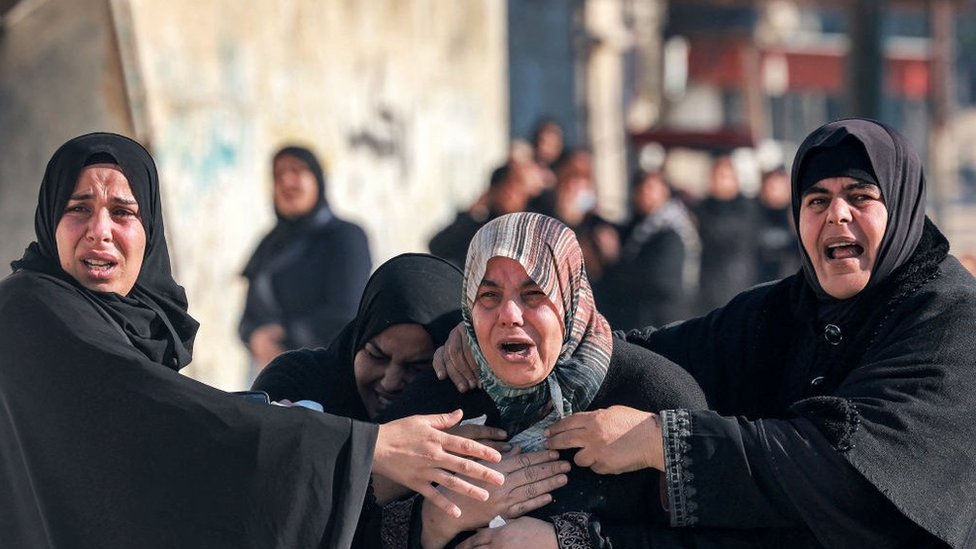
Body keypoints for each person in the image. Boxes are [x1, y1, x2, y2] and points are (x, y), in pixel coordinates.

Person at [436, 118, 976, 547]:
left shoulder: (947, 320)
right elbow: (653, 350)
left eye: (860, 196)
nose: (836, 215)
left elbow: (845, 473)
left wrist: (661, 442)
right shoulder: (786, 310)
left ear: (902, 207)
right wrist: (503, 332)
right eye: (816, 200)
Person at [0, 132, 506, 549]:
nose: (100, 230)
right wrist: (367, 450)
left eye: (123, 212)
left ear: (150, 227)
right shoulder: (29, 309)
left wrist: (474, 338)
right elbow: (169, 420)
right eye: (79, 207)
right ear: (49, 218)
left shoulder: (132, 322)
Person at [382, 212, 708, 548]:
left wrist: (568, 541)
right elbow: (350, 520)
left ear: (571, 298)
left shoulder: (653, 398)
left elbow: (721, 538)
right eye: (489, 296)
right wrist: (434, 521)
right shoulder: (444, 394)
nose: (509, 315)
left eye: (534, 294)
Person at [240, 145, 372, 369]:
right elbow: (246, 317)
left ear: (318, 180)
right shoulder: (269, 245)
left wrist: (284, 334)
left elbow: (346, 313)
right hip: (266, 370)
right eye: (278, 175)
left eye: (297, 170)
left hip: (325, 369)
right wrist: (255, 338)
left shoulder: (345, 237)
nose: (287, 181)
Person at [601, 170, 698, 330]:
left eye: (651, 188)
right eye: (641, 189)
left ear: (665, 192)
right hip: (641, 318)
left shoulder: (671, 231)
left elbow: (658, 279)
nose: (645, 194)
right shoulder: (639, 226)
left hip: (662, 321)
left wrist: (614, 261)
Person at [429, 162, 530, 269]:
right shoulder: (479, 226)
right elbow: (437, 246)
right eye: (507, 189)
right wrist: (471, 214)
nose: (510, 196)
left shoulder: (532, 226)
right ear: (494, 192)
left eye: (517, 189)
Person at [693, 154, 758, 314]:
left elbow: (728, 237)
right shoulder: (702, 207)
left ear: (735, 179)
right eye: (716, 176)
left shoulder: (747, 208)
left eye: (725, 176)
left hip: (738, 281)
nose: (720, 181)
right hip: (707, 285)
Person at [754, 165, 800, 283]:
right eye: (772, 187)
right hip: (758, 283)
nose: (775, 192)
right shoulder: (752, 214)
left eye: (780, 187)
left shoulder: (797, 216)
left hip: (790, 283)